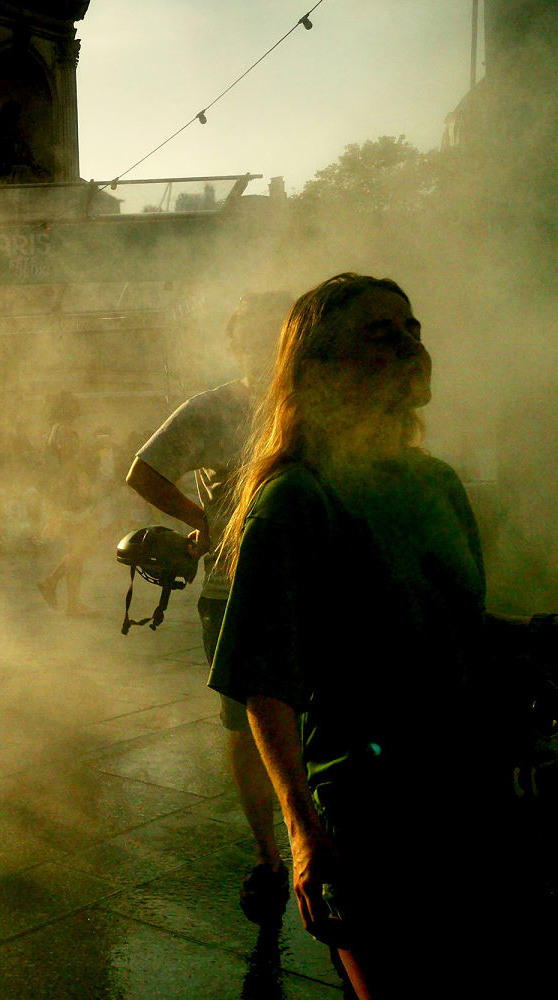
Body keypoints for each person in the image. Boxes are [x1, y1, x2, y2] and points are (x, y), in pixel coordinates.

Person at [206, 274, 536, 996]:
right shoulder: (297, 499)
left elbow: (456, 624)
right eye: (382, 334)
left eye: (413, 330)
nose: (412, 346)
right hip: (370, 812)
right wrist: (300, 831)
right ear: (317, 369)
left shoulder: (438, 483)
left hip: (472, 792)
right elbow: (266, 684)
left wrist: (532, 639)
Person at [125, 291, 294, 923]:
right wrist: (207, 519)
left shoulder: (315, 404)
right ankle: (267, 853)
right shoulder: (213, 409)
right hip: (233, 590)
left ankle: (322, 836)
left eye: (271, 333)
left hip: (316, 587)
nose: (260, 345)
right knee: (248, 725)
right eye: (247, 333)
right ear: (234, 343)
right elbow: (143, 473)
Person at [37, 391, 101, 615]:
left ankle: (73, 604)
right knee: (84, 546)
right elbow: (68, 460)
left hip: (66, 496)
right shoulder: (63, 430)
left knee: (77, 550)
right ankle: (51, 582)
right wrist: (82, 477)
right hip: (70, 499)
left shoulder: (57, 430)